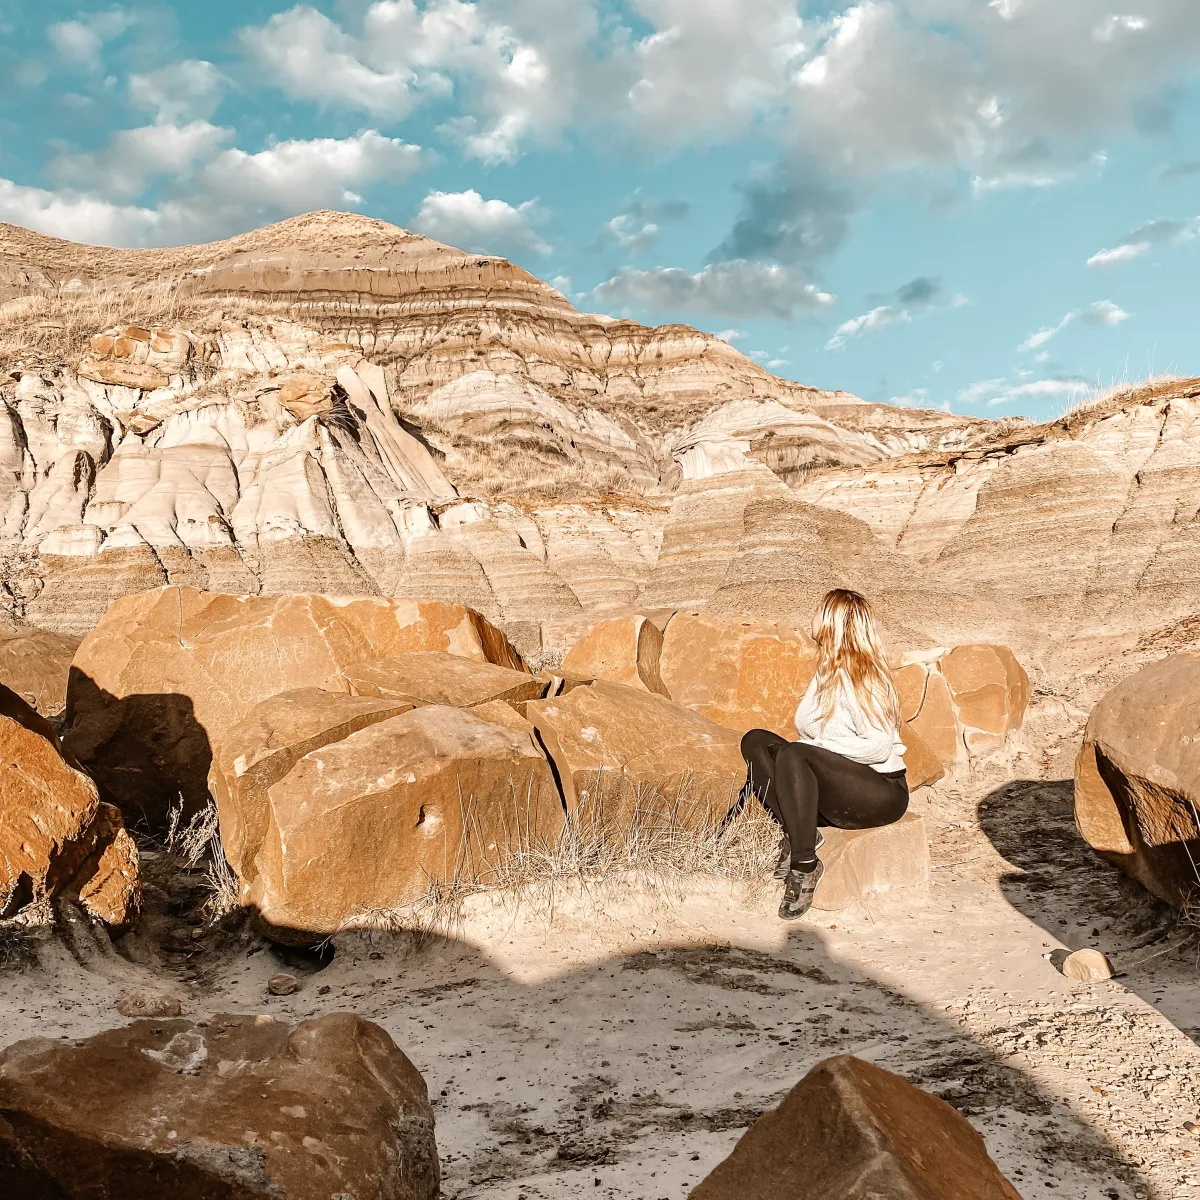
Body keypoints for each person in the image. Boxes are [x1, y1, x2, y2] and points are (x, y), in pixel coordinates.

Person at [738, 588, 909, 921]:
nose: (811, 614)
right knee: (755, 740)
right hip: (841, 786)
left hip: (880, 793)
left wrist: (812, 753)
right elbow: (810, 736)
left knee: (796, 755)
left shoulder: (860, 676)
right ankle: (803, 830)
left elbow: (879, 745)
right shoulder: (826, 672)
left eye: (819, 609)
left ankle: (805, 864)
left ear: (832, 622)